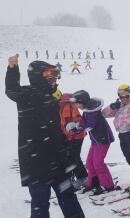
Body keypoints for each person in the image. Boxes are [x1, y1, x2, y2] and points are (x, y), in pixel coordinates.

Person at [5, 55, 84, 218]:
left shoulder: (53, 99)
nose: (54, 80)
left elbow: (57, 132)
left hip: (58, 161)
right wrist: (13, 69)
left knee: (69, 198)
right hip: (36, 164)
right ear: (38, 77)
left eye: (55, 76)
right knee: (40, 204)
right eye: (49, 76)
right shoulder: (26, 95)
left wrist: (68, 156)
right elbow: (11, 89)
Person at [68, 90, 117, 195]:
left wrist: (77, 128)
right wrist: (75, 124)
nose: (76, 106)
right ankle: (94, 184)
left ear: (83, 101)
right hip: (95, 141)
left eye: (77, 103)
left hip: (102, 141)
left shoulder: (92, 111)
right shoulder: (88, 110)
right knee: (90, 163)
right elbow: (85, 122)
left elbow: (89, 125)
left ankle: (108, 186)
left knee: (98, 164)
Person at [60, 93, 88, 190]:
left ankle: (83, 178)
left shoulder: (67, 107)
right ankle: (79, 177)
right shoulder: (65, 107)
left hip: (76, 136)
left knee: (73, 157)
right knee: (72, 156)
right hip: (74, 135)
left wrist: (71, 134)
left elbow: (71, 122)